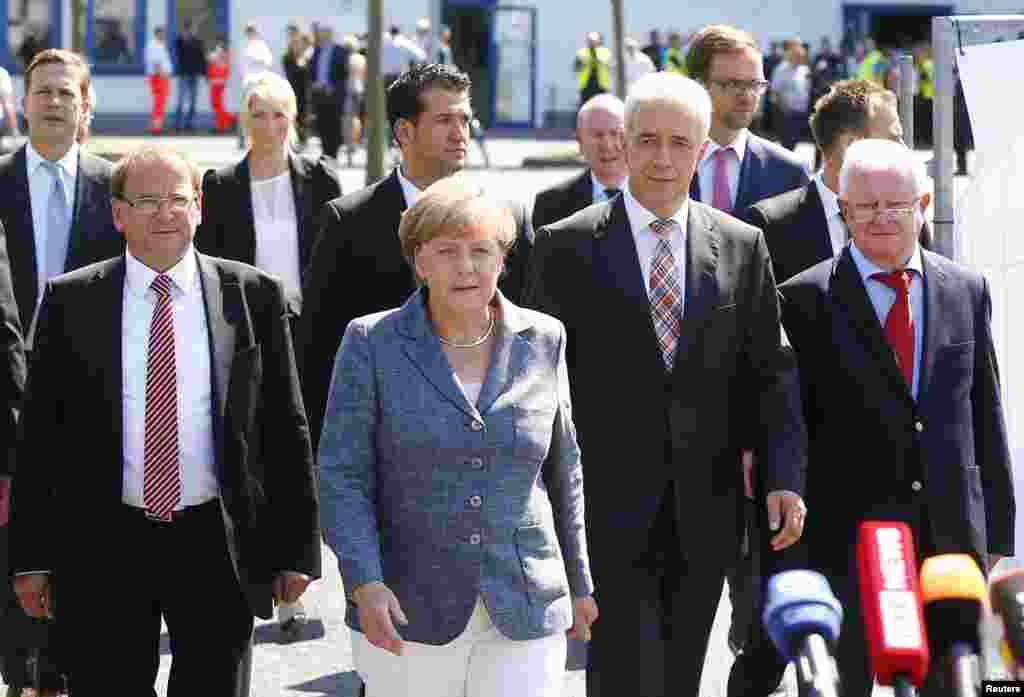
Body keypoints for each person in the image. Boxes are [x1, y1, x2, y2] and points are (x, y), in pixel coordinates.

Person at [525, 71, 807, 697]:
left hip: (704, 513)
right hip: (602, 508)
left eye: (679, 142)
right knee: (621, 672)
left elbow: (772, 372)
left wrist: (785, 477)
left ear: (703, 151)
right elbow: (535, 386)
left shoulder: (742, 245)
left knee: (681, 673)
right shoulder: (564, 246)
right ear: (621, 144)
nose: (660, 157)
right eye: (646, 139)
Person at [9, 144, 322, 696]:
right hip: (107, 541)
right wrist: (31, 557)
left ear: (199, 206)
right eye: (147, 201)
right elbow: (40, 440)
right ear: (118, 213)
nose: (164, 213)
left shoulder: (252, 296)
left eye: (178, 199)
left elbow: (285, 428)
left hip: (216, 540)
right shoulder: (72, 300)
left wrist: (296, 550)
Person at [319, 174, 595, 697]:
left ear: (502, 259)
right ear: (420, 261)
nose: (466, 266)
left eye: (480, 250)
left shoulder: (545, 338)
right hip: (408, 608)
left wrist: (580, 582)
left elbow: (564, 470)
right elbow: (342, 476)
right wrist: (364, 582)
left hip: (525, 601)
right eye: (446, 251)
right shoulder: (371, 342)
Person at [774, 139, 1013, 697]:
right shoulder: (802, 299)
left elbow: (984, 410)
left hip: (947, 543)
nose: (881, 217)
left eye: (897, 204)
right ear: (843, 211)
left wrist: (997, 524)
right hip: (847, 542)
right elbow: (791, 425)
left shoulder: (965, 289)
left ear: (923, 204)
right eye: (865, 206)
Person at [297, 62, 535, 454]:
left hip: (488, 454)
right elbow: (318, 352)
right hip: (383, 456)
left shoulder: (508, 216)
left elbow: (530, 337)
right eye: (444, 120)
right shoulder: (348, 222)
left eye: (465, 119)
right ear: (403, 132)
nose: (461, 133)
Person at [737, 79, 928, 286]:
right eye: (893, 138)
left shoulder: (909, 214)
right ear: (851, 145)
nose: (903, 149)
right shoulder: (770, 226)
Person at [197, 71, 341, 338]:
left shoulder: (321, 179)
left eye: (278, 115)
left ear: (293, 118)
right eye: (259, 115)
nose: (269, 125)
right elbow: (209, 264)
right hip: (245, 327)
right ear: (245, 121)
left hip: (310, 326)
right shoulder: (220, 186)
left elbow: (337, 259)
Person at [686, 26, 808, 214]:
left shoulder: (789, 172)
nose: (747, 96)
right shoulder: (666, 164)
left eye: (754, 84)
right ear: (699, 85)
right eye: (733, 84)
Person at [532, 93, 626, 230]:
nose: (607, 145)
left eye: (615, 133)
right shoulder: (551, 204)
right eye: (597, 135)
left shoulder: (657, 197)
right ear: (580, 142)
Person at [309, 23, 350, 160]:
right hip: (320, 93)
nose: (323, 36)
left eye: (326, 33)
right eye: (322, 33)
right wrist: (314, 83)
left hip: (334, 95)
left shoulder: (341, 51)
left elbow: (344, 74)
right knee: (322, 124)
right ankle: (326, 153)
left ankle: (333, 153)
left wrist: (333, 86)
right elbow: (312, 71)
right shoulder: (317, 51)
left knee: (334, 125)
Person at [770, 42, 812, 151]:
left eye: (802, 57)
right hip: (787, 113)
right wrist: (783, 109)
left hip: (801, 113)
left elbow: (807, 89)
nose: (801, 59)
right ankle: (785, 166)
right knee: (787, 145)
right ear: (791, 56)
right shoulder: (781, 69)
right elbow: (775, 92)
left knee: (795, 143)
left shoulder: (804, 70)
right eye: (798, 56)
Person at [173, 20, 206, 132]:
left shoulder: (198, 41)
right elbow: (178, 55)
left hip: (194, 74)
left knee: (193, 100)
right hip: (184, 73)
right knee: (181, 99)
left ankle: (189, 124)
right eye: (191, 29)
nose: (192, 31)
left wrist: (204, 73)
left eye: (193, 29)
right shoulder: (180, 40)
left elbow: (201, 57)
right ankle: (178, 124)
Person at [282, 21, 311, 142]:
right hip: (292, 85)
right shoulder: (287, 53)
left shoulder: (304, 48)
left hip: (303, 87)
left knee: (302, 113)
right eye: (289, 33)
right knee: (293, 112)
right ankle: (295, 137)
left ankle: (301, 137)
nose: (291, 36)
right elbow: (288, 67)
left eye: (293, 32)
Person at [145, 26, 173, 134]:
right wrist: (162, 75)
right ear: (158, 34)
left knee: (160, 102)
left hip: (161, 76)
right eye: (162, 34)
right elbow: (156, 62)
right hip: (159, 76)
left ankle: (158, 125)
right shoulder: (154, 45)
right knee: (159, 102)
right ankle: (156, 127)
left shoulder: (159, 44)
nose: (164, 36)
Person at [207, 34, 237, 134]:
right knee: (218, 105)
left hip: (218, 82)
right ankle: (227, 122)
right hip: (219, 81)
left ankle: (224, 124)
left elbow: (211, 59)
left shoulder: (221, 51)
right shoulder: (226, 52)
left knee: (217, 105)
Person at [573, 32, 610, 108]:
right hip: (586, 86)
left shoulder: (605, 52)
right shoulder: (581, 53)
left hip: (601, 86)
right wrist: (582, 64)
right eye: (590, 41)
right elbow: (576, 68)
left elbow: (610, 66)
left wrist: (600, 62)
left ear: (599, 41)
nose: (592, 43)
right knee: (585, 108)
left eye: (594, 41)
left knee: (602, 108)